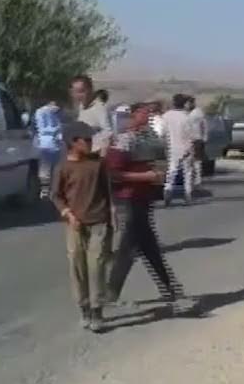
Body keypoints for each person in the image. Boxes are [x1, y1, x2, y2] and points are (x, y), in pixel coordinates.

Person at [105, 102, 192, 314]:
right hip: (129, 198)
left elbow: (159, 162)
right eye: (145, 112)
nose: (149, 116)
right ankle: (172, 294)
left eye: (151, 113)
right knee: (134, 248)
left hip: (144, 198)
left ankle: (172, 293)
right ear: (134, 114)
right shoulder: (123, 139)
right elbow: (113, 175)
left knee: (144, 247)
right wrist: (144, 177)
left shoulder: (150, 137)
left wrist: (157, 179)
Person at [50, 121, 113, 333]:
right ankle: (84, 307)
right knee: (77, 266)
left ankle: (97, 310)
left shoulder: (98, 164)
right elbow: (56, 196)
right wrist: (67, 214)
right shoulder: (63, 168)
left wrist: (113, 214)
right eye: (85, 140)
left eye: (90, 139)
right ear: (73, 143)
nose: (89, 143)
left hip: (99, 221)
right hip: (75, 225)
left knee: (96, 266)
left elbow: (108, 191)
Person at [161, 94, 197, 207]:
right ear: (184, 104)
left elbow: (162, 133)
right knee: (187, 172)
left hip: (172, 147)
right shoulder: (187, 117)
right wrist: (191, 149)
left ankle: (168, 189)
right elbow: (190, 135)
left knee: (172, 170)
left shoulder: (166, 116)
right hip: (185, 147)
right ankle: (187, 194)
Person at [70, 75, 113, 153]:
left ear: (90, 89)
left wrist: (91, 141)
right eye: (75, 92)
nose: (78, 95)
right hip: (82, 152)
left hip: (95, 155)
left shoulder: (100, 108)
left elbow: (108, 133)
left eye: (81, 91)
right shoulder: (81, 106)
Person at [33, 99, 64, 196]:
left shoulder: (54, 113)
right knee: (45, 169)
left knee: (55, 169)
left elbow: (59, 127)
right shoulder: (41, 112)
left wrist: (59, 133)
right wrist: (56, 129)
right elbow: (42, 129)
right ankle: (45, 191)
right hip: (45, 144)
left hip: (56, 144)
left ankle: (54, 190)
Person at [187, 97, 208, 193]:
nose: (186, 105)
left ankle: (197, 181)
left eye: (188, 103)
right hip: (189, 140)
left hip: (196, 139)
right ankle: (192, 181)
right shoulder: (187, 113)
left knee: (196, 161)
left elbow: (204, 125)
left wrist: (204, 138)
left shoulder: (197, 113)